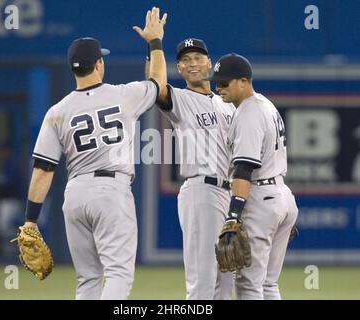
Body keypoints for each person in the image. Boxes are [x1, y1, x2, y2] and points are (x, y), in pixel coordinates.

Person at [17, 7, 168, 300]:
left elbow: (42, 170)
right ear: (98, 64)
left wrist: (30, 221)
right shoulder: (123, 95)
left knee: (87, 279)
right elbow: (159, 84)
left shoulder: (56, 112)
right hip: (111, 191)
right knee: (119, 273)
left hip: (74, 195)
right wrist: (155, 43)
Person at [146, 38, 236, 299]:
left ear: (209, 62)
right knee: (202, 281)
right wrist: (154, 45)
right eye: (185, 60)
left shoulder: (227, 102)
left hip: (230, 194)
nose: (192, 63)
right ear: (179, 68)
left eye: (198, 57)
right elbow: (155, 87)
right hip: (202, 192)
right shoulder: (180, 99)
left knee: (226, 281)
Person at [210, 53, 298, 299]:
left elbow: (244, 168)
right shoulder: (265, 104)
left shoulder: (249, 112)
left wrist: (233, 215)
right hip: (281, 197)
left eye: (225, 82)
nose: (219, 88)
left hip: (261, 199)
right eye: (217, 82)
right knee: (268, 284)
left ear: (243, 81)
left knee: (249, 284)